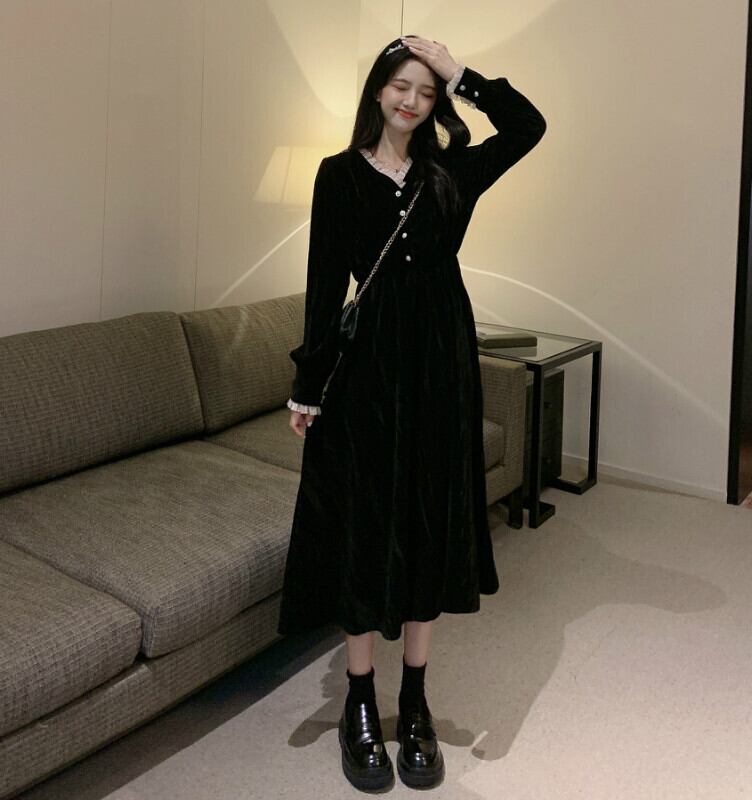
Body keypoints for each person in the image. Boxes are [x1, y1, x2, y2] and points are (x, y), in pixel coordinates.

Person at [277, 34, 546, 791]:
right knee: (364, 523)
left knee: (429, 520)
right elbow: (324, 283)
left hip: (439, 367)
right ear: (377, 89)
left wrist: (465, 76)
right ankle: (359, 699)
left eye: (427, 92)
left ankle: (416, 700)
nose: (412, 101)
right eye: (402, 85)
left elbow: (528, 126)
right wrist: (309, 383)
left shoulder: (450, 172)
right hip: (367, 372)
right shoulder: (337, 175)